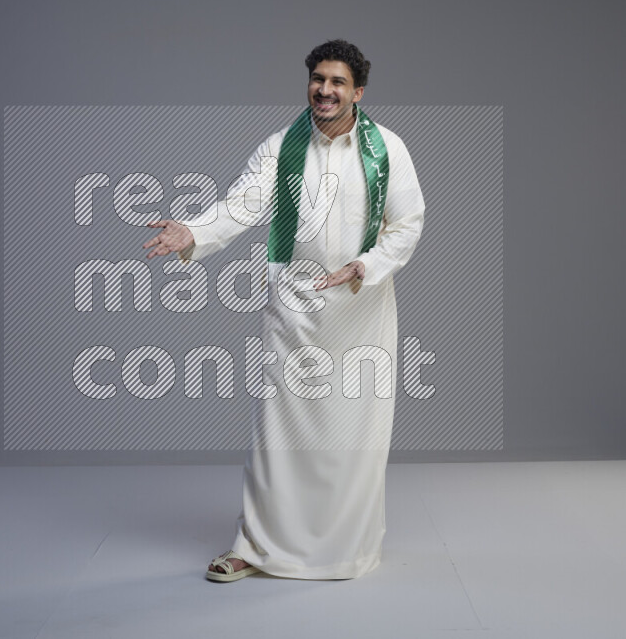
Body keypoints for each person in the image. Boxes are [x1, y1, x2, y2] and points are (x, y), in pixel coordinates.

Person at [142, 40, 425, 581]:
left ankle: (346, 549)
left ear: (358, 91)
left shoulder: (387, 148)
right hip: (293, 309)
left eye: (338, 82)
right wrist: (193, 232)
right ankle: (255, 546)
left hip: (361, 309)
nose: (325, 90)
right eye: (318, 79)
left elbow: (408, 222)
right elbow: (241, 204)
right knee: (278, 435)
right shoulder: (280, 147)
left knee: (352, 435)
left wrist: (365, 265)